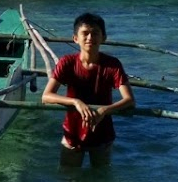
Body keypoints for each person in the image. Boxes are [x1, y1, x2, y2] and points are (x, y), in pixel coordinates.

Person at [41, 12, 135, 166]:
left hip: (102, 133)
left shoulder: (112, 64)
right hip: (73, 132)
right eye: (85, 33)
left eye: (95, 33)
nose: (90, 38)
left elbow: (129, 100)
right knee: (68, 179)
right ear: (75, 38)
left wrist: (104, 110)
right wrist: (75, 102)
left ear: (103, 38)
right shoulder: (66, 63)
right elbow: (46, 96)